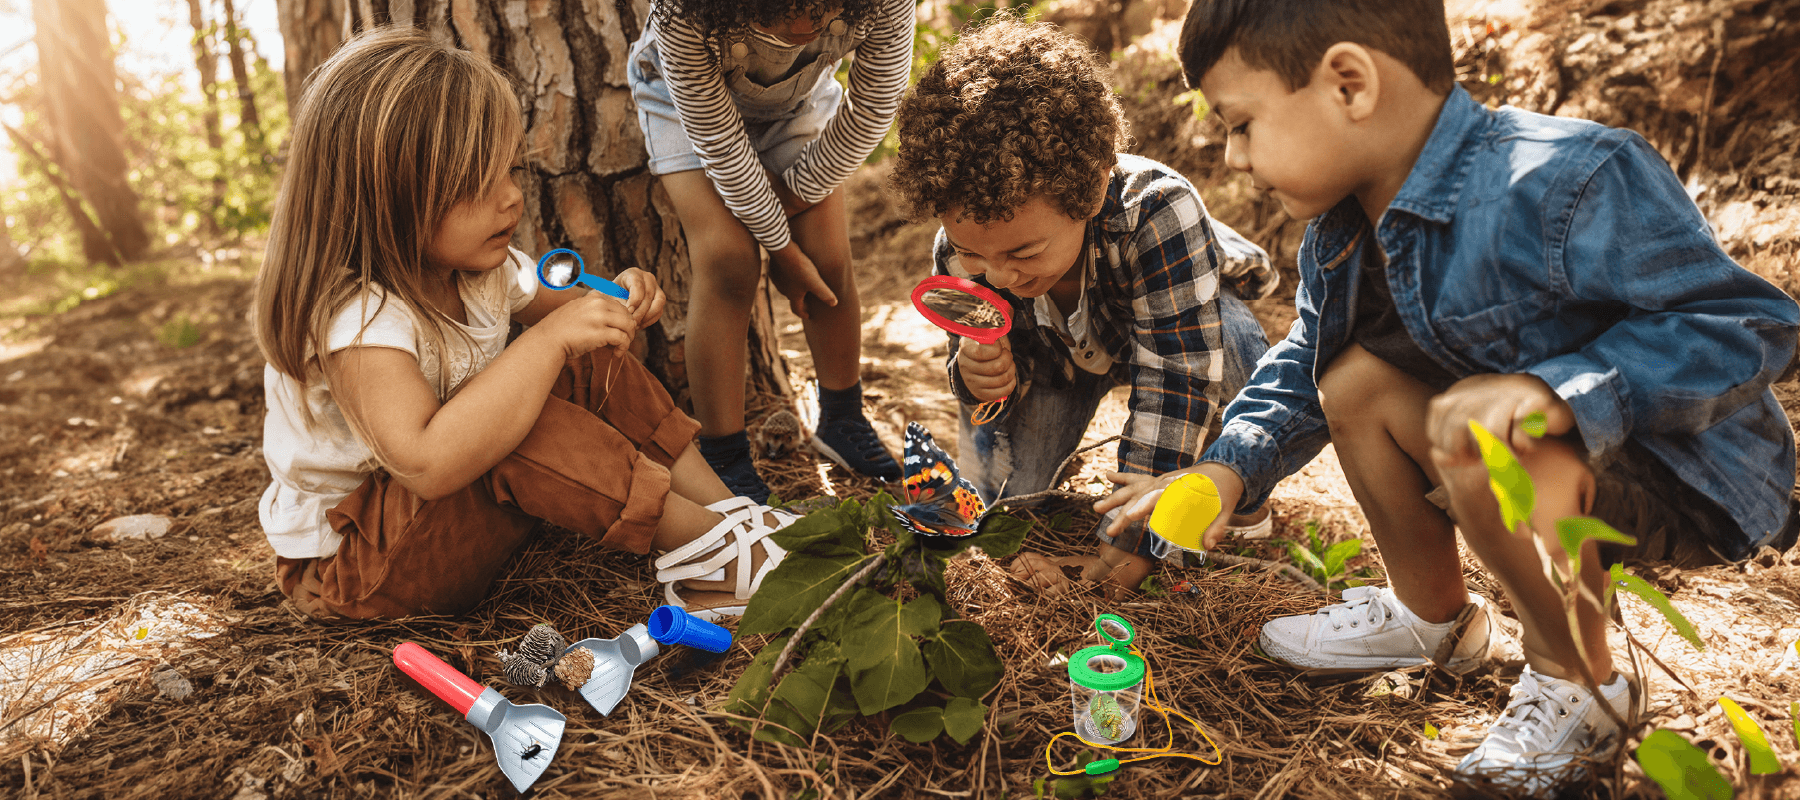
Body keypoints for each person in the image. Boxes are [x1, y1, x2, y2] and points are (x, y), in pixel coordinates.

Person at [1103, 0, 1800, 791]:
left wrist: (1556, 394)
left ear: (1348, 83)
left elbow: (1748, 321)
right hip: (1524, 449)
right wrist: (1230, 469)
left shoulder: (1568, 177)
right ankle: (1432, 618)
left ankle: (1581, 682)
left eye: (1241, 123)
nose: (1231, 156)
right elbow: (1308, 357)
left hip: (1693, 473)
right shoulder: (1339, 229)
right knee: (1354, 381)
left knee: (1478, 427)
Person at [253, 26, 796, 622]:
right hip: (358, 565)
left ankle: (728, 515)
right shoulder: (358, 320)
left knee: (587, 360)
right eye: (473, 186)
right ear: (383, 198)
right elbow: (427, 462)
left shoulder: (476, 268)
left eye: (511, 171)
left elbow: (576, 322)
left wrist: (619, 296)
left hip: (431, 521)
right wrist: (547, 342)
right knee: (518, 422)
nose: (511, 199)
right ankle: (714, 555)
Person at [886, 17, 1278, 597]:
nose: (999, 275)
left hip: (1166, 327)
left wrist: (1126, 547)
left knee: (1237, 344)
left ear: (1092, 188)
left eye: (1023, 251)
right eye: (975, 255)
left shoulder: (1158, 211)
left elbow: (1175, 376)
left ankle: (1244, 500)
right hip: (1057, 360)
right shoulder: (965, 251)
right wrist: (978, 379)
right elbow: (980, 393)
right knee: (999, 506)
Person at [627, 0, 914, 502]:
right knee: (729, 261)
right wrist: (780, 249)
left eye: (823, 14)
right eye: (783, 17)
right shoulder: (684, 13)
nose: (805, 31)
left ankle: (843, 418)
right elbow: (718, 141)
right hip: (685, 108)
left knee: (826, 259)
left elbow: (873, 107)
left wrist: (794, 204)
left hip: (798, 103)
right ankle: (724, 451)